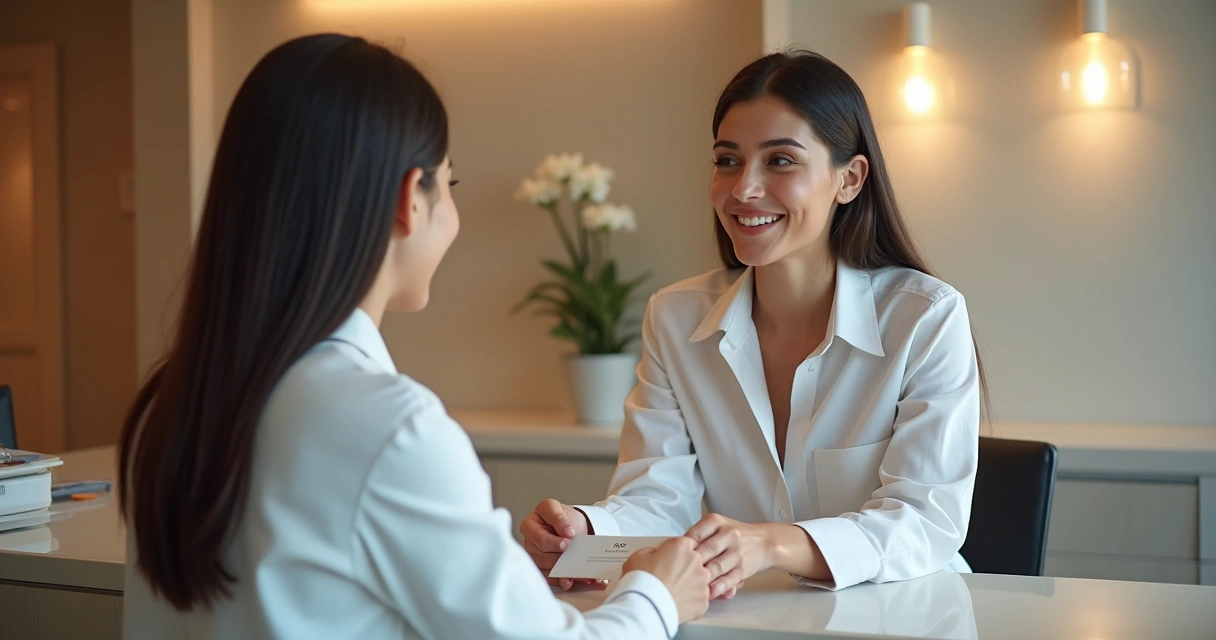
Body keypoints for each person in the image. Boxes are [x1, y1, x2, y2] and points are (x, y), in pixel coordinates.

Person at [118, 33, 710, 640]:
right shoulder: (389, 428)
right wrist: (657, 595)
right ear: (410, 198)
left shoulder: (166, 405)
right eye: (447, 186)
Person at [522, 50, 985, 597]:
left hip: (907, 616)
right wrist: (585, 530)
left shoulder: (925, 317)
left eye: (781, 161)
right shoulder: (674, 318)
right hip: (749, 613)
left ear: (850, 179)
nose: (743, 188)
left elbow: (924, 522)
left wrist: (771, 543)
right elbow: (657, 498)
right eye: (728, 160)